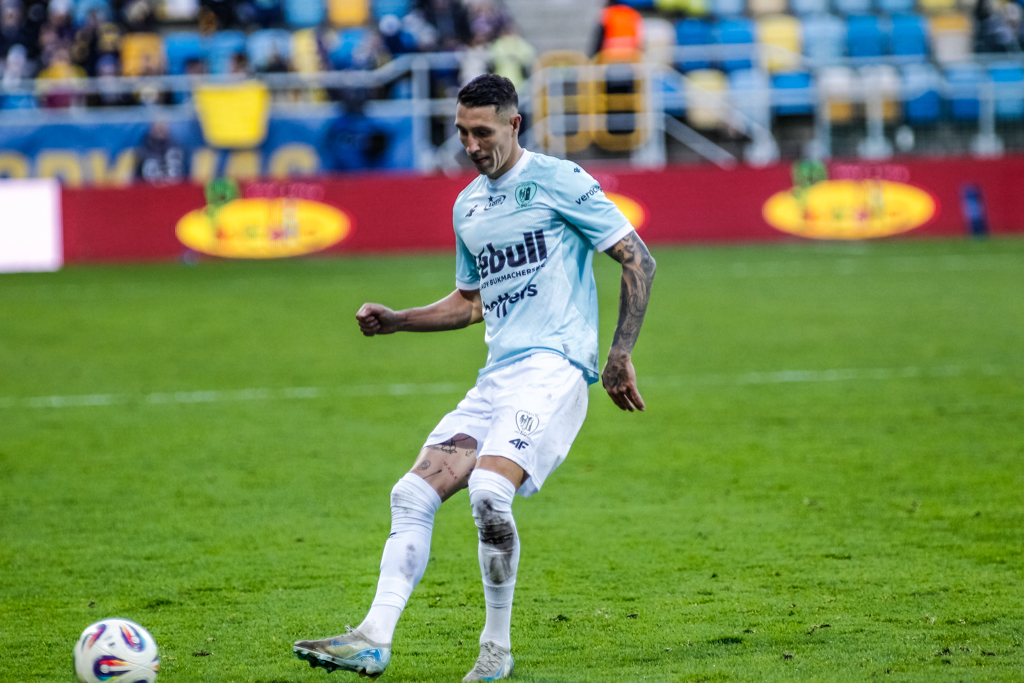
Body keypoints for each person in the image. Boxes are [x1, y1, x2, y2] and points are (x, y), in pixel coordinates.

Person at [293, 74, 656, 681]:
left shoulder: (559, 180)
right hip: (498, 377)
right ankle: (373, 638)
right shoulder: (468, 205)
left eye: (482, 132)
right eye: (462, 133)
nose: (471, 145)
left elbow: (638, 258)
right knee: (410, 494)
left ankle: (495, 650)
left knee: (489, 492)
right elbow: (470, 303)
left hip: (555, 368)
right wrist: (400, 320)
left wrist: (619, 354)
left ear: (514, 124)